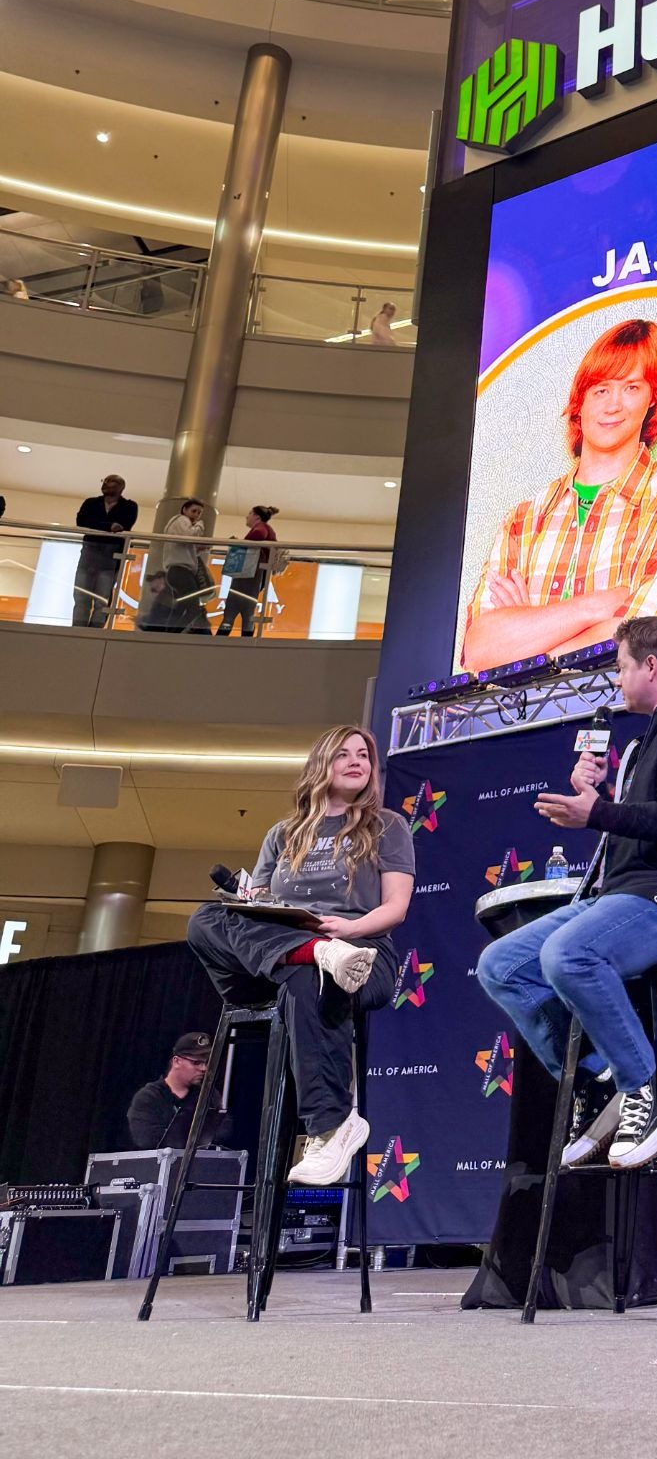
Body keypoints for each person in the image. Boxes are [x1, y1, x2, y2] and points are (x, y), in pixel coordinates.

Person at [476, 614, 657, 1171]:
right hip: (628, 895)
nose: (617, 681)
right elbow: (640, 826)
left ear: (651, 665)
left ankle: (643, 1088)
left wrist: (596, 812)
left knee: (568, 953)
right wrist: (596, 794)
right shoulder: (648, 740)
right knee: (500, 964)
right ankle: (600, 1084)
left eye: (621, 668)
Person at [185, 726, 414, 1187]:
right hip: (280, 954)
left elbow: (396, 908)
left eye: (364, 755)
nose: (356, 761)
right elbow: (256, 908)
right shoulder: (283, 834)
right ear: (320, 764)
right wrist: (254, 903)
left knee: (308, 977)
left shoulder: (386, 826)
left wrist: (347, 929)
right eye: (343, 754)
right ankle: (314, 952)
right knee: (205, 918)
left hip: (360, 954)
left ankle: (329, 1129)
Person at [461, 318, 657, 671]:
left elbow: (640, 640)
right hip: (520, 711)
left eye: (631, 388)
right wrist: (593, 607)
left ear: (653, 398)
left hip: (618, 706)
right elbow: (480, 650)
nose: (613, 405)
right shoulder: (523, 520)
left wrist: (529, 632)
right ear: (580, 401)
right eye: (601, 389)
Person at [126, 1031, 232, 1150]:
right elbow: (146, 1138)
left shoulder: (208, 1095)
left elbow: (224, 1128)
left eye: (206, 1062)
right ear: (176, 1061)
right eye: (196, 1062)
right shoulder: (149, 1097)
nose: (204, 1068)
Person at [73, 474, 139, 627]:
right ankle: (77, 629)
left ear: (121, 487)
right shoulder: (91, 502)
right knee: (81, 595)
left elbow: (124, 525)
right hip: (90, 552)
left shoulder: (129, 506)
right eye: (105, 481)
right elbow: (81, 521)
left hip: (112, 555)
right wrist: (108, 526)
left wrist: (99, 525)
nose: (107, 484)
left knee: (102, 598)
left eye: (112, 482)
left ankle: (95, 632)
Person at [217, 504, 279, 637]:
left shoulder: (260, 528)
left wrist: (240, 544)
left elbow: (259, 535)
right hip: (255, 576)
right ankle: (245, 639)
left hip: (248, 575)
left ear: (256, 516)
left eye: (250, 513)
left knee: (232, 610)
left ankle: (220, 639)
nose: (247, 516)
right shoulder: (268, 530)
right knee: (246, 611)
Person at [162, 496, 213, 633]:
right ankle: (173, 634)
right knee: (193, 607)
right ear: (184, 510)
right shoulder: (182, 520)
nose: (196, 515)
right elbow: (190, 536)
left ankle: (168, 634)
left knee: (180, 606)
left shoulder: (177, 524)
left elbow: (185, 544)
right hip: (181, 571)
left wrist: (200, 548)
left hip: (175, 571)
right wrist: (200, 525)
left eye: (199, 513)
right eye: (194, 511)